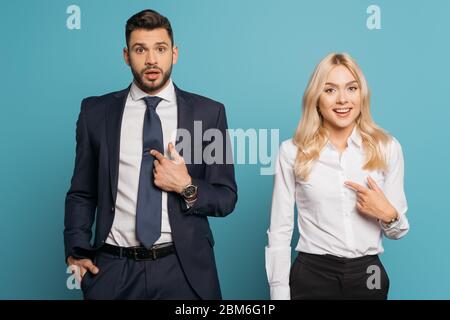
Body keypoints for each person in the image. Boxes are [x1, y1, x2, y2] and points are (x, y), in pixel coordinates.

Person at [64, 9, 237, 300]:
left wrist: (186, 186)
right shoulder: (95, 112)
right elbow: (82, 192)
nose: (152, 60)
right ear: (126, 55)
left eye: (160, 49)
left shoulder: (208, 113)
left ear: (175, 53)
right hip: (114, 271)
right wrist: (76, 250)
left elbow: (226, 197)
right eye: (140, 49)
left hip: (184, 271)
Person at [265, 53, 409, 300]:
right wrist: (279, 292)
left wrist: (388, 214)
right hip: (312, 274)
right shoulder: (292, 151)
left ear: (361, 95)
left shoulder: (388, 147)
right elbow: (280, 229)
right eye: (330, 90)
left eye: (351, 88)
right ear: (316, 99)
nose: (343, 99)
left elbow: (398, 230)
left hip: (368, 274)